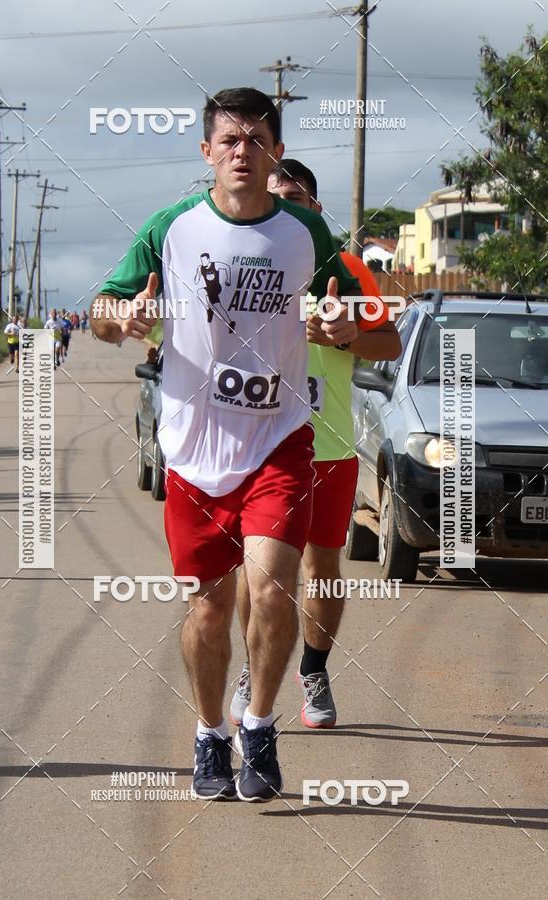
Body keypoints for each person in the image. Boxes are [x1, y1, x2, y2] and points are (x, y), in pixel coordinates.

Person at [90, 87, 389, 802]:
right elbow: (102, 309)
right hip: (193, 451)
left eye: (257, 141)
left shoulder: (308, 237)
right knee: (208, 610)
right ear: (206, 153)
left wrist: (351, 333)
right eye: (229, 141)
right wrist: (122, 319)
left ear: (275, 151)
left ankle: (257, 723)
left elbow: (380, 330)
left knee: (273, 587)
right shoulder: (171, 227)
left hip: (279, 443)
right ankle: (208, 734)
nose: (243, 153)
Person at [230, 159, 401, 729]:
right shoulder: (242, 261)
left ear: (317, 208)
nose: (287, 205)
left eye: (298, 197)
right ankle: (253, 670)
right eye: (277, 195)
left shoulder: (347, 268)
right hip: (254, 444)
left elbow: (390, 344)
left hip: (327, 448)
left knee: (322, 569)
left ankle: (313, 668)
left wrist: (352, 331)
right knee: (257, 572)